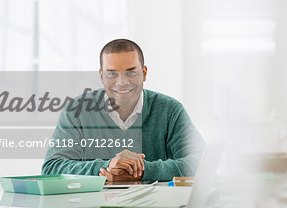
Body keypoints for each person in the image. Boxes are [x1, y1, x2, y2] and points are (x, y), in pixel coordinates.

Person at [42, 39, 204, 181]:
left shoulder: (169, 110)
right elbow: (51, 167)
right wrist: (108, 167)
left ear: (144, 73)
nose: (121, 82)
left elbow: (201, 162)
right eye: (112, 74)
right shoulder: (76, 111)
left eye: (131, 72)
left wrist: (142, 170)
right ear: (101, 76)